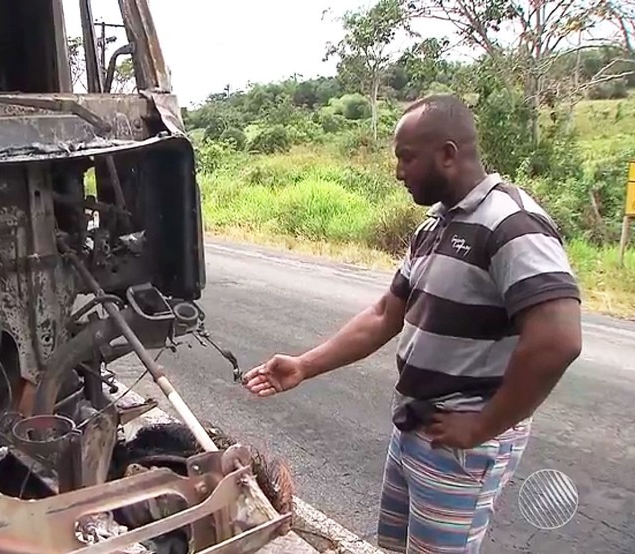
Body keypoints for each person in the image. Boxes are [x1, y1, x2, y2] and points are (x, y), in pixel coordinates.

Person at [242, 94, 583, 553]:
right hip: (414, 431)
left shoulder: (512, 223)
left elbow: (557, 340)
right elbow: (386, 313)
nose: (399, 172)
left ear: (447, 153)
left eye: (407, 158)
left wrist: (482, 426)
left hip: (459, 448)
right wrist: (304, 365)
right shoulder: (436, 225)